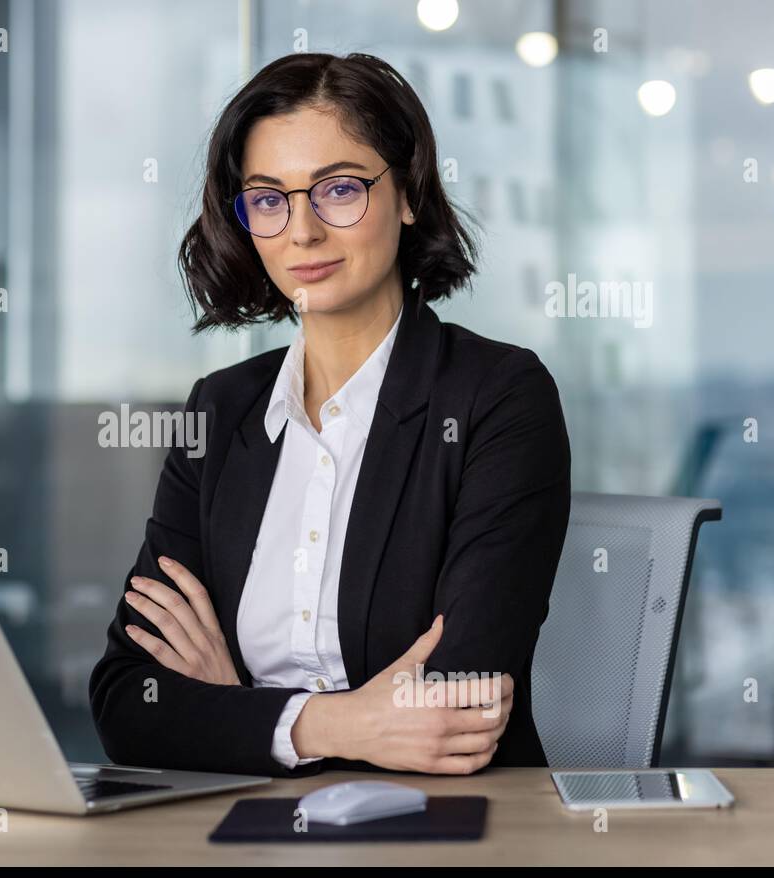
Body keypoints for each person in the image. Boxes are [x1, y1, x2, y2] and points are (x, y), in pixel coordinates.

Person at [89, 52, 571, 777]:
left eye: (339, 189)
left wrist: (236, 707)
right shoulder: (221, 413)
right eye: (269, 198)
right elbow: (130, 698)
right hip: (243, 832)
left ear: (408, 192)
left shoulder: (497, 397)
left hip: (453, 834)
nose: (302, 232)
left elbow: (453, 708)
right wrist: (333, 722)